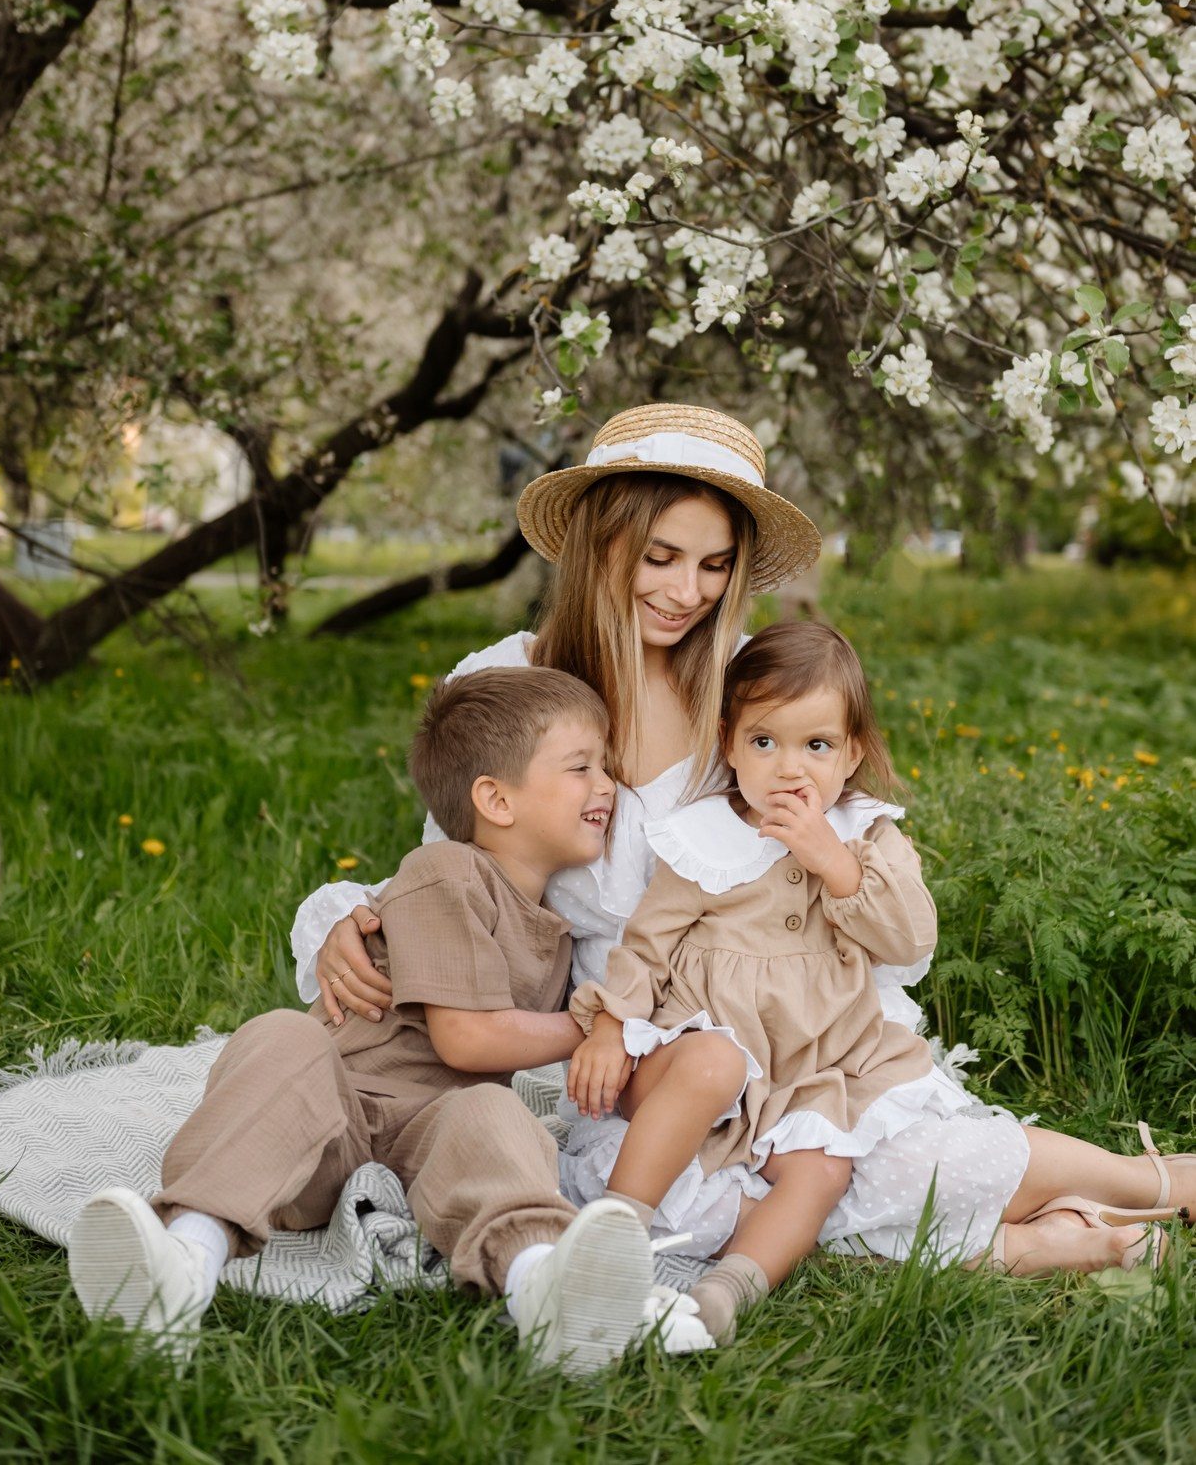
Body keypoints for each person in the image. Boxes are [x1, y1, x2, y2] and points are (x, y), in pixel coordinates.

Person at [292, 402, 1195, 1281]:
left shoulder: (752, 689)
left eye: (716, 565)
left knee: (884, 1162)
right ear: (600, 542)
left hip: (787, 1024)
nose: (687, 592)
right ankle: (1049, 1238)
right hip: (630, 1047)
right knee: (704, 1196)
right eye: (661, 557)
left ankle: (1152, 1184)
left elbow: (845, 844)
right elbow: (445, 870)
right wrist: (344, 920)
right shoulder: (510, 684)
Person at [564, 623, 1182, 1342]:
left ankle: (728, 1289)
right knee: (761, 1134)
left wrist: (838, 864)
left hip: (832, 1070)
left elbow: (911, 940)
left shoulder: (867, 835)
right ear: (729, 742)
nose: (789, 769)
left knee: (822, 1175)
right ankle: (622, 1241)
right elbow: (646, 946)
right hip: (726, 1071)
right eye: (764, 742)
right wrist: (611, 1025)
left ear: (852, 752)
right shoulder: (700, 838)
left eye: (817, 746)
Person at [68, 668, 688, 1375]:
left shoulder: (553, 928)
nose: (607, 785)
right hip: (327, 1118)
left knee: (495, 1112)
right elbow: (467, 1037)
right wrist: (598, 1031)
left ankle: (545, 1287)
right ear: (495, 799)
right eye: (582, 768)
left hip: (434, 1133)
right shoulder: (446, 872)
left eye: (605, 767)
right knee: (282, 1035)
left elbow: (479, 1070)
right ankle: (185, 1259)